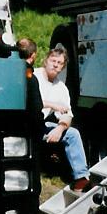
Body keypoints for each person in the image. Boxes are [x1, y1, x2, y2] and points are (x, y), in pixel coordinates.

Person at [34, 45, 91, 193]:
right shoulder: (33, 76)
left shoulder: (61, 88)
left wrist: (60, 128)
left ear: (63, 67)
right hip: (25, 121)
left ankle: (81, 179)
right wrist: (52, 104)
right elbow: (29, 101)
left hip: (41, 124)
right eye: (53, 60)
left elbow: (68, 114)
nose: (55, 65)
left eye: (60, 63)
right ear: (45, 61)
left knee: (73, 134)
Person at [16, 37, 54, 214]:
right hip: (28, 139)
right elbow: (35, 110)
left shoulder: (7, 73)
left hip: (9, 137)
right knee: (32, 188)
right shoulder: (30, 78)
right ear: (34, 55)